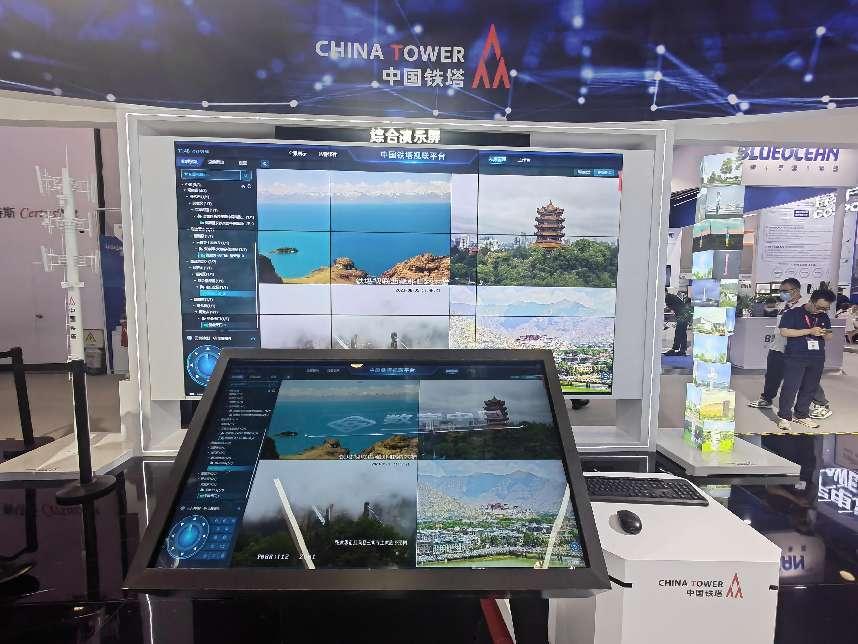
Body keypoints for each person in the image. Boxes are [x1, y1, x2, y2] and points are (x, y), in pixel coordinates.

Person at [776, 288, 836, 431]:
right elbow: (784, 331)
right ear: (811, 301)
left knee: (810, 387)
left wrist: (824, 333)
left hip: (817, 357)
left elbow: (829, 336)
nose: (822, 310)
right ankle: (784, 417)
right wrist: (809, 331)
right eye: (819, 307)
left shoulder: (823, 316)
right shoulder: (792, 313)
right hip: (796, 356)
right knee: (790, 387)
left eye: (826, 308)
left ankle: (802, 414)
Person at [748, 278, 806, 409]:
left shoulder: (805, 306)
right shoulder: (783, 305)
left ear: (796, 290)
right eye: (780, 291)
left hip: (795, 348)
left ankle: (820, 403)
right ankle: (766, 399)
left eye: (784, 291)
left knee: (803, 376)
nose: (781, 293)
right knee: (772, 375)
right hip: (777, 346)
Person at [664, 290, 690, 356]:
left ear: (665, 292)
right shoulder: (672, 296)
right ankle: (682, 350)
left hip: (682, 316)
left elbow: (673, 309)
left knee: (679, 332)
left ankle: (675, 349)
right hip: (685, 314)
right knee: (682, 333)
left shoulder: (668, 298)